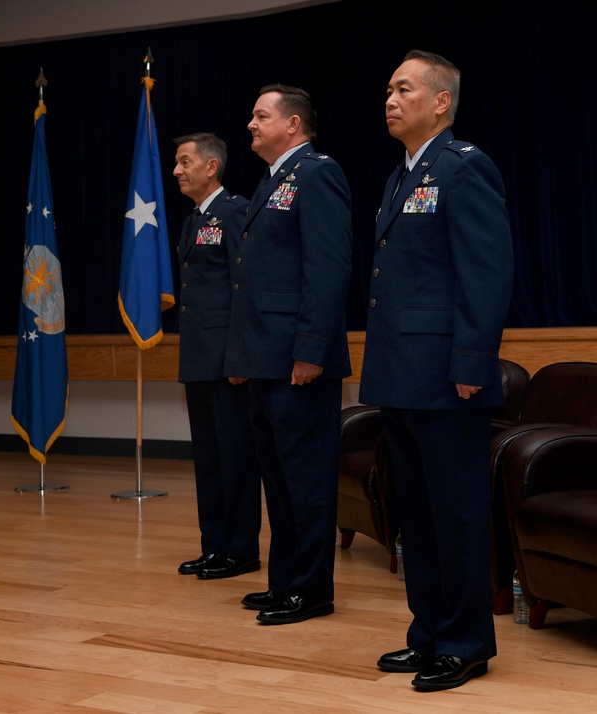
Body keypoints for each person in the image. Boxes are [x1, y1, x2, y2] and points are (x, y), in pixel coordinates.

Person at [359, 50, 514, 690]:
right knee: (416, 517)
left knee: (456, 515)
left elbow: (487, 272)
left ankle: (466, 642)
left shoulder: (463, 168)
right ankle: (427, 634)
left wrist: (473, 361)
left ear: (440, 101)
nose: (390, 99)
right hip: (401, 373)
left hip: (448, 376)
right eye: (388, 88)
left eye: (403, 88)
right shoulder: (400, 177)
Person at [228, 84, 352, 624]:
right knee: (276, 479)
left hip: (298, 361)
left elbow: (327, 271)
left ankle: (312, 589)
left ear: (293, 124)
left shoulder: (318, 173)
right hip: (263, 357)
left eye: (261, 116)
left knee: (305, 479)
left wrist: (311, 351)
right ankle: (285, 582)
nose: (251, 125)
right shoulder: (270, 182)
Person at [172, 132, 263, 579]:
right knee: (208, 458)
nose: (177, 170)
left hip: (227, 361)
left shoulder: (235, 212)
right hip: (197, 358)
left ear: (211, 167)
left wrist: (239, 357)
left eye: (185, 161)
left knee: (236, 458)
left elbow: (242, 292)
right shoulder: (192, 221)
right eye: (176, 163)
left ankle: (242, 548)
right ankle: (215, 545)